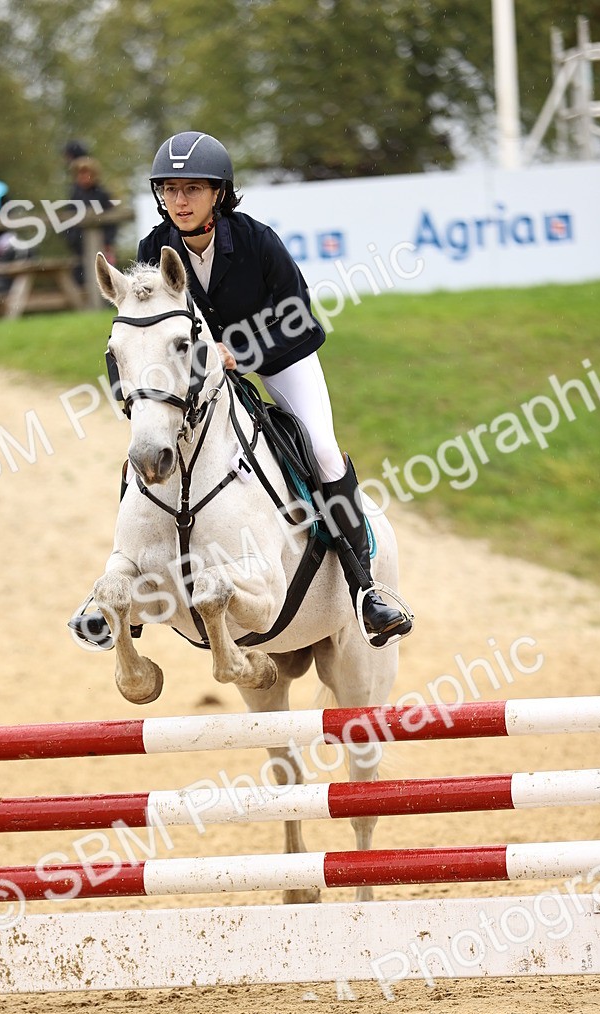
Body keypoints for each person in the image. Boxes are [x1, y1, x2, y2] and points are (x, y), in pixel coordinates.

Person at [136, 131, 412, 648]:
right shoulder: (154, 248)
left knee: (324, 454)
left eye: (193, 188)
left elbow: (298, 318)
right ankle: (130, 585)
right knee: (151, 444)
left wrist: (235, 351)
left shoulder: (258, 240)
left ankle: (364, 590)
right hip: (200, 376)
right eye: (170, 189)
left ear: (219, 192)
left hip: (280, 358)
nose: (180, 200)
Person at [65, 155, 118, 285]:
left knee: (105, 274)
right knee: (81, 276)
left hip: (101, 242)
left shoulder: (102, 194)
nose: (83, 177)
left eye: (86, 173)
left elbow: (111, 220)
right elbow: (68, 219)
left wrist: (108, 241)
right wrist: (73, 239)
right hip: (80, 244)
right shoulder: (74, 195)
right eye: (80, 174)